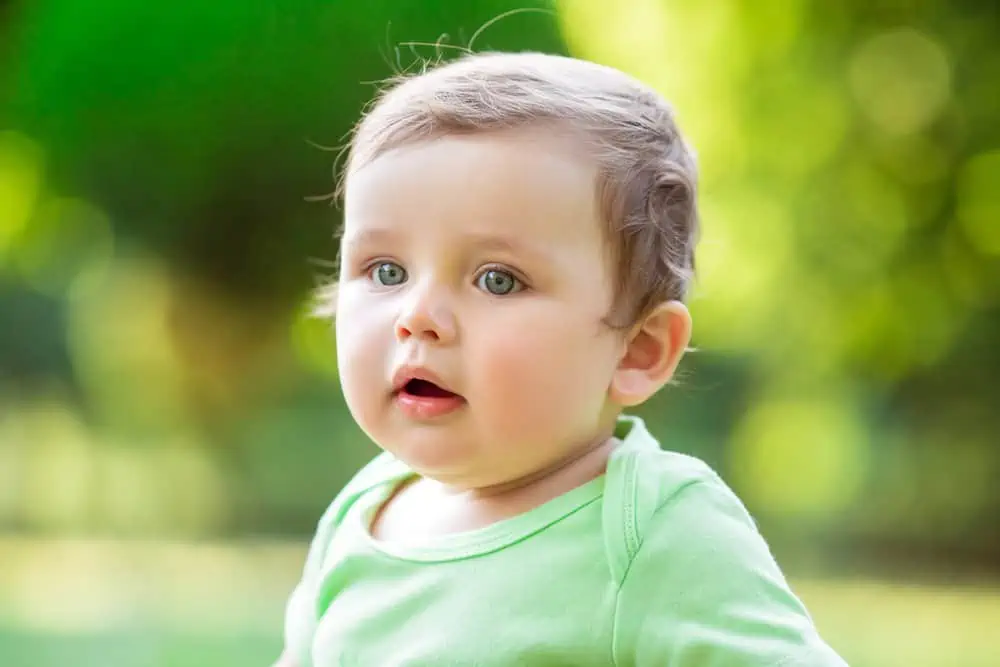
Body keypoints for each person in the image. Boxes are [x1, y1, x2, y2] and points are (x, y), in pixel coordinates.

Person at [275, 51, 848, 666]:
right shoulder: (361, 514)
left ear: (637, 349)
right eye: (386, 271)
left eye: (497, 280)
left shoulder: (650, 531)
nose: (417, 316)